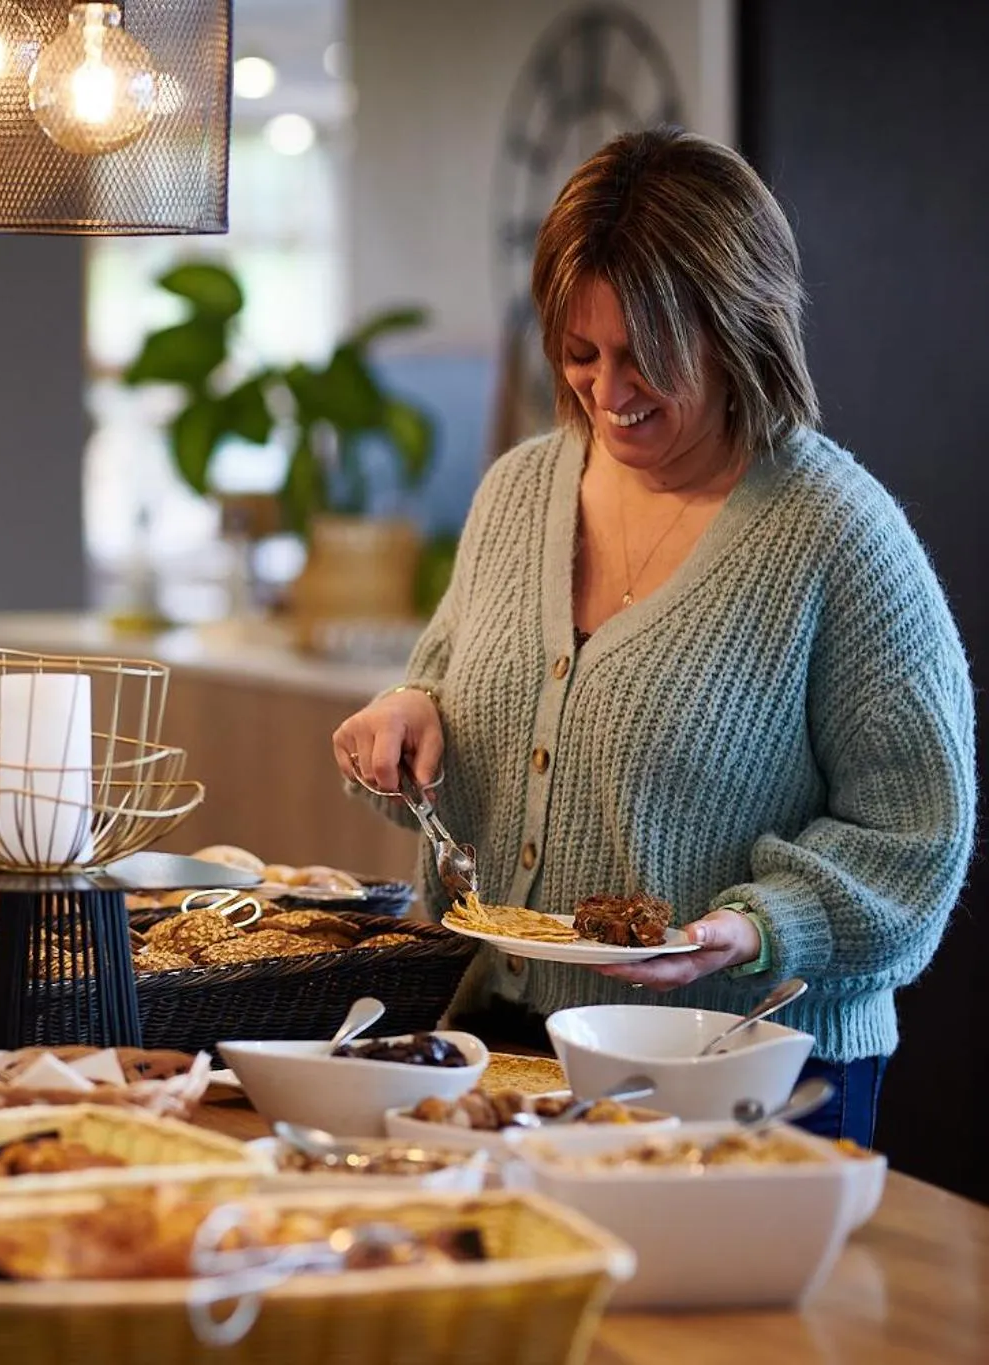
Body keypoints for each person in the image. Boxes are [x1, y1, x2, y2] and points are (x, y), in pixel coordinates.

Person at [331, 126, 975, 1149]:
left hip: (744, 1058)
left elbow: (914, 845)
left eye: (646, 360)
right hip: (502, 1041)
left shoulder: (836, 537)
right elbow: (452, 720)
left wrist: (755, 929)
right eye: (578, 355)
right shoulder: (518, 491)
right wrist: (406, 725)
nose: (606, 393)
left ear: (737, 335)